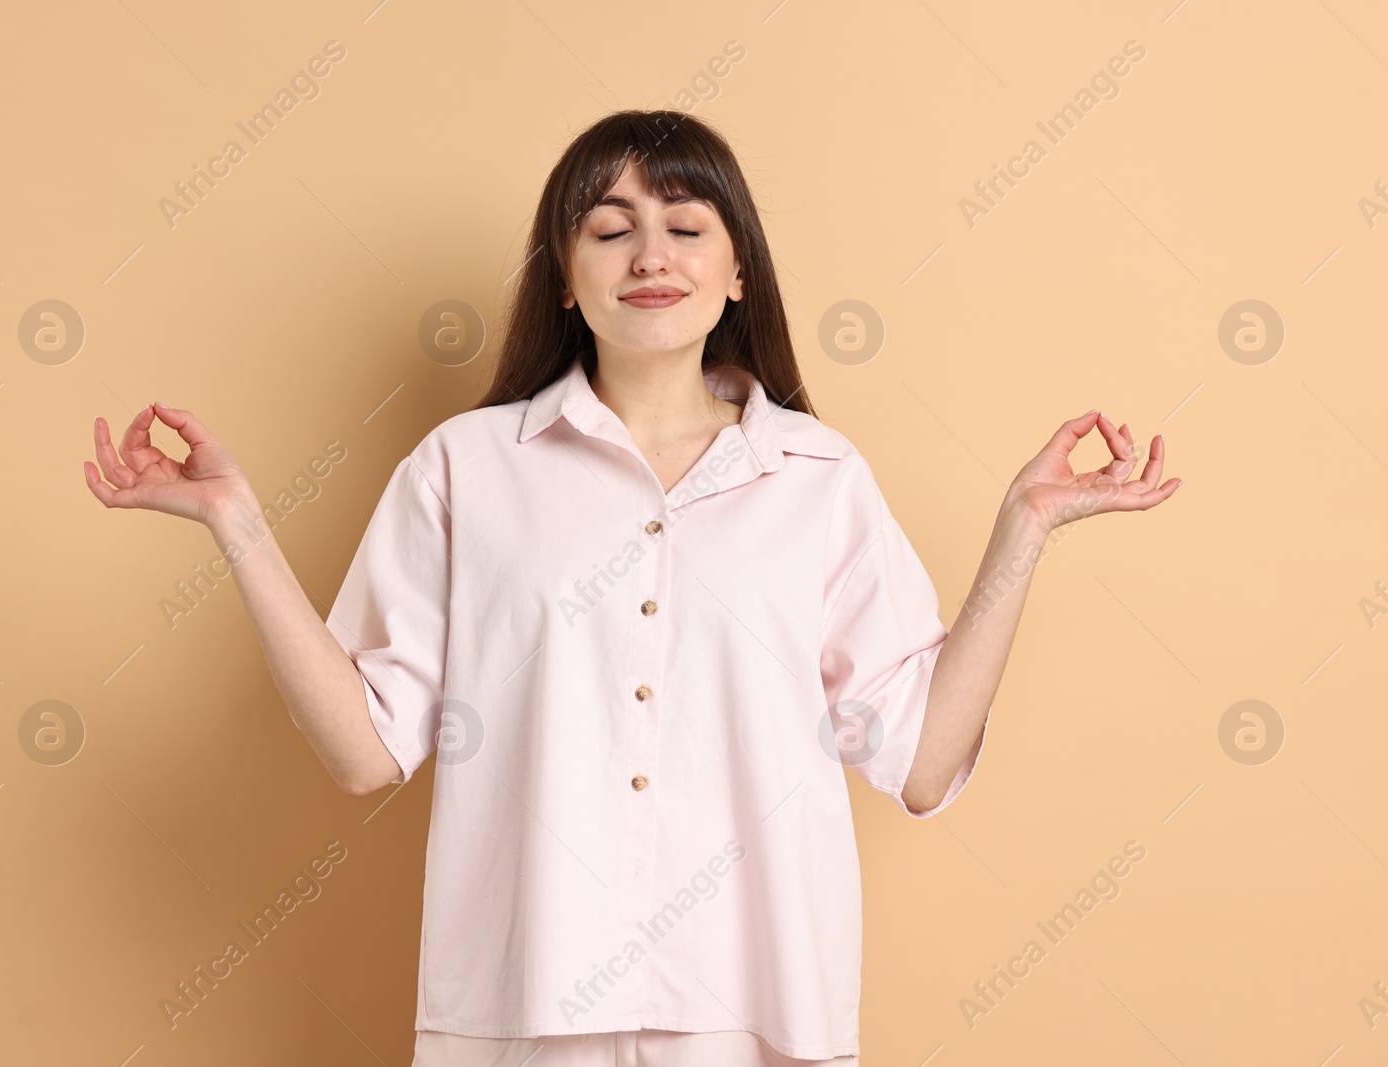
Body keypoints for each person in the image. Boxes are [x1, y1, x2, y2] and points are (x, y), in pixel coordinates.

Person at [84, 109, 1180, 1066]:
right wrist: (238, 525)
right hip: (517, 1015)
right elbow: (365, 748)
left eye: (686, 226)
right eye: (609, 228)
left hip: (756, 1017)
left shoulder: (818, 478)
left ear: (738, 268)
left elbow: (923, 759)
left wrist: (1022, 530)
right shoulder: (466, 468)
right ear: (565, 276)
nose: (648, 251)